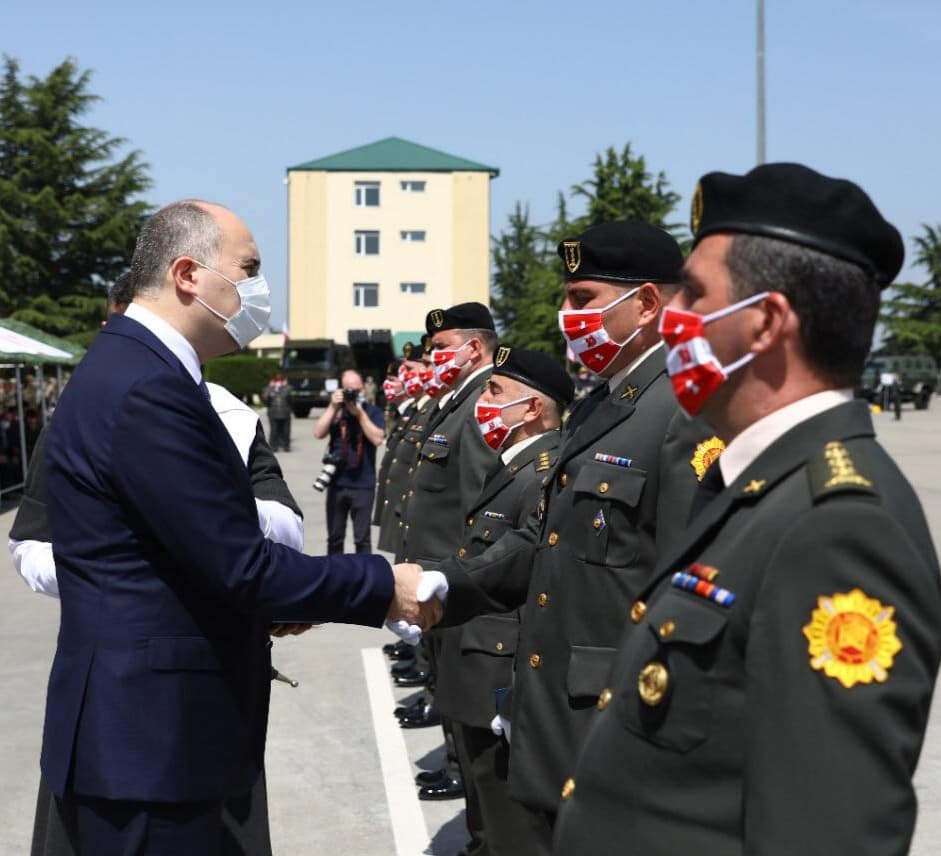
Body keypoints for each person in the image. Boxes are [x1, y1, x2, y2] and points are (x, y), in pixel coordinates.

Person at [552, 164, 941, 855]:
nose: (672, 319)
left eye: (694, 295)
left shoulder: (839, 526)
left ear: (764, 323)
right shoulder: (754, 483)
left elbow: (823, 833)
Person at [40, 200, 429, 855]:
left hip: (145, 741)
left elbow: (177, 559)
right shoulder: (147, 387)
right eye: (247, 269)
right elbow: (237, 564)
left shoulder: (134, 368)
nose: (257, 290)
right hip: (148, 749)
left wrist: (266, 605)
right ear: (189, 274)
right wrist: (381, 583)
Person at [410, 222, 712, 850]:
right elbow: (543, 540)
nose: (567, 316)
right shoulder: (602, 405)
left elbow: (692, 600)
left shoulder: (684, 409)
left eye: (584, 299)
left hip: (615, 726)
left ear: (648, 303)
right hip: (557, 716)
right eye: (567, 298)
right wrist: (441, 581)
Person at [433, 346, 574, 855]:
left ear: (533, 408)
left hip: (500, 672)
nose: (483, 403)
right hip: (476, 661)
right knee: (488, 819)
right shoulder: (511, 466)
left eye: (495, 391)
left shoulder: (542, 471)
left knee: (510, 826)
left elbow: (523, 566)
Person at [312, 369, 385, 554]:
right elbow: (318, 433)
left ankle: (364, 579)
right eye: (348, 390)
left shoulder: (372, 411)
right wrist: (332, 407)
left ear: (363, 389)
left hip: (363, 484)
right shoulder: (337, 412)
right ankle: (336, 579)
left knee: (362, 539)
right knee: (335, 538)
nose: (353, 394)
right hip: (337, 484)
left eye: (356, 390)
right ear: (341, 390)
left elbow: (377, 439)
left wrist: (359, 414)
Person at [263, 373, 292, 451]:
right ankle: (273, 446)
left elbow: (290, 399)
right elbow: (266, 400)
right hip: (273, 412)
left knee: (286, 430)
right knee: (274, 430)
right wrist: (271, 389)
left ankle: (286, 446)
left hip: (285, 412)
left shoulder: (287, 388)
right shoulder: (269, 388)